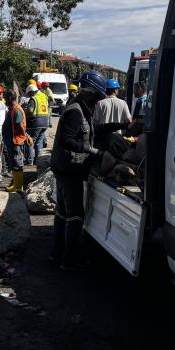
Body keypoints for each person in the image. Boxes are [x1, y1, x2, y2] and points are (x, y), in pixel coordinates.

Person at [50, 71, 129, 269]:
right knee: (76, 216)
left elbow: (96, 128)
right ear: (88, 92)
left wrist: (121, 125)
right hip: (70, 170)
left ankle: (57, 254)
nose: (99, 99)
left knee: (62, 213)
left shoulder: (84, 109)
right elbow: (67, 141)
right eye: (98, 95)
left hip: (66, 169)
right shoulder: (75, 111)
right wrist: (96, 152)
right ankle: (69, 260)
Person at [2, 89, 28, 192]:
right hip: (12, 141)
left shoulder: (17, 109)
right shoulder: (12, 109)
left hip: (16, 140)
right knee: (14, 163)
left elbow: (19, 125)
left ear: (9, 98)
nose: (4, 99)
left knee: (17, 164)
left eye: (5, 97)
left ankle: (18, 186)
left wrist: (25, 135)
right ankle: (15, 184)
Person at [22, 81, 50, 166]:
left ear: (31, 92)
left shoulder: (33, 98)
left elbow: (30, 110)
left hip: (35, 123)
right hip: (45, 122)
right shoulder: (44, 96)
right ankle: (38, 161)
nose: (29, 96)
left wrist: (23, 111)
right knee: (39, 143)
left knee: (30, 141)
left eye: (29, 94)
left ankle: (30, 161)